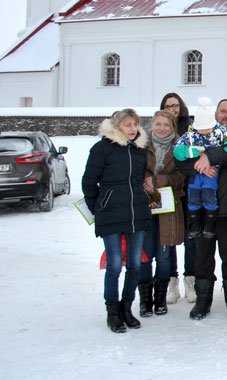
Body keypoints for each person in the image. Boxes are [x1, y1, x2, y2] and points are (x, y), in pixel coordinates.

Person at [173, 98, 227, 321]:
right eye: (223, 111)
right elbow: (180, 160)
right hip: (201, 208)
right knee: (203, 256)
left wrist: (209, 156)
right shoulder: (195, 132)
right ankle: (203, 301)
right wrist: (198, 165)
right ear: (215, 113)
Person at [82, 108, 151, 333]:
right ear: (117, 126)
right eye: (127, 125)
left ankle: (126, 307)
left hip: (136, 213)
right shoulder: (103, 149)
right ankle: (112, 311)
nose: (132, 129)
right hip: (110, 214)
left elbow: (140, 179)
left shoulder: (140, 149)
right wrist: (98, 208)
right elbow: (89, 182)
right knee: (113, 266)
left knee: (134, 264)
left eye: (135, 124)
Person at [173, 98, 227, 240]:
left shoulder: (221, 132)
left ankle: (209, 224)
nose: (205, 131)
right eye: (223, 111)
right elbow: (177, 151)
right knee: (193, 195)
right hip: (197, 174)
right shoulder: (191, 134)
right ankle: (195, 224)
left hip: (215, 178)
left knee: (208, 194)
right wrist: (193, 156)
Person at [138, 110, 186, 318]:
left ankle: (160, 299)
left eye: (166, 125)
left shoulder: (181, 147)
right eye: (158, 124)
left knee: (164, 255)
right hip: (144, 205)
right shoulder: (141, 144)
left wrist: (158, 181)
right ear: (152, 125)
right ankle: (145, 300)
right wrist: (145, 181)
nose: (162, 128)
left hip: (168, 206)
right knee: (145, 254)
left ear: (173, 127)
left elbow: (182, 175)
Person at [159, 92, 192, 303]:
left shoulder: (190, 128)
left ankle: (191, 281)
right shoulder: (159, 129)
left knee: (191, 238)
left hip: (187, 191)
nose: (172, 108)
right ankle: (171, 282)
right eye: (168, 105)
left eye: (175, 105)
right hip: (164, 193)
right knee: (167, 239)